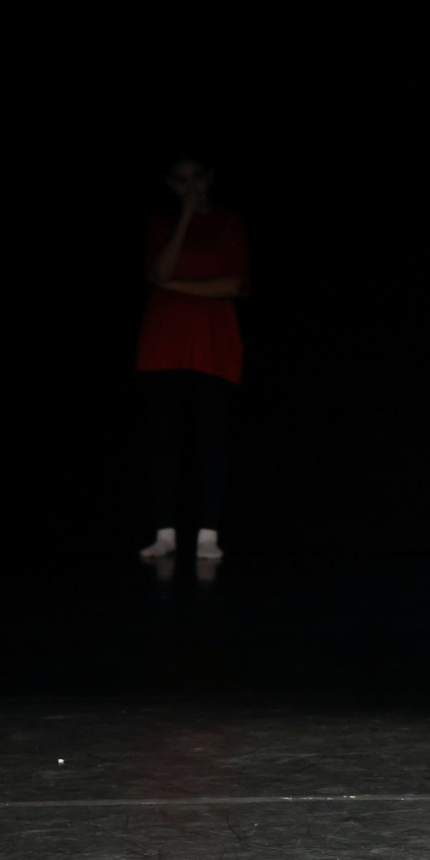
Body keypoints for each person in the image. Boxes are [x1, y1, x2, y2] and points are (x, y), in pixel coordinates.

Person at [136, 157, 249, 562]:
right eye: (181, 181)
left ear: (209, 178)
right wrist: (185, 217)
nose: (191, 187)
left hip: (213, 343)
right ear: (171, 184)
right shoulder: (162, 223)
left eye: (197, 178)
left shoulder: (228, 222)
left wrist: (175, 286)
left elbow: (232, 284)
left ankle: (208, 535)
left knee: (211, 438)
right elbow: (159, 270)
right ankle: (164, 533)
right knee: (164, 439)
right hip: (163, 344)